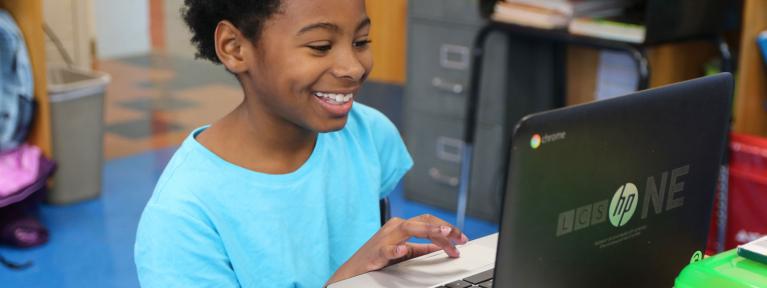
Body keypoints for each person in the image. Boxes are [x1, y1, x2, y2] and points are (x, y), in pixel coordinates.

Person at [133, 0, 469, 287]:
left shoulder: (369, 132)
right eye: (321, 46)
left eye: (361, 41)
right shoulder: (182, 215)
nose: (353, 68)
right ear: (235, 48)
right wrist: (350, 280)